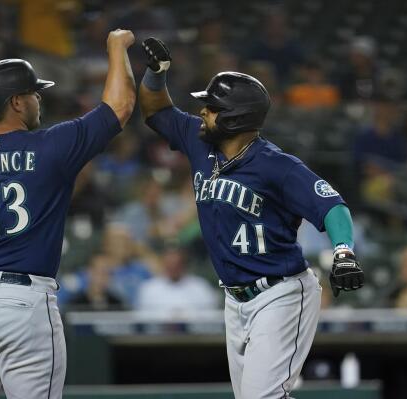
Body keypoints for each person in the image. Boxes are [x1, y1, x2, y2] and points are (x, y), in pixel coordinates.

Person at [139, 37, 364, 399]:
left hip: (281, 294)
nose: (202, 112)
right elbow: (155, 111)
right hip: (235, 299)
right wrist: (156, 73)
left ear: (234, 118)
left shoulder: (278, 166)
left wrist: (343, 252)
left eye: (210, 108)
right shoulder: (200, 143)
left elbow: (332, 206)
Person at [0, 29, 135, 398]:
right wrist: (117, 47)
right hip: (21, 303)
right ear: (17, 103)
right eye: (33, 92)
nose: (39, 98)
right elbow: (119, 107)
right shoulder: (52, 146)